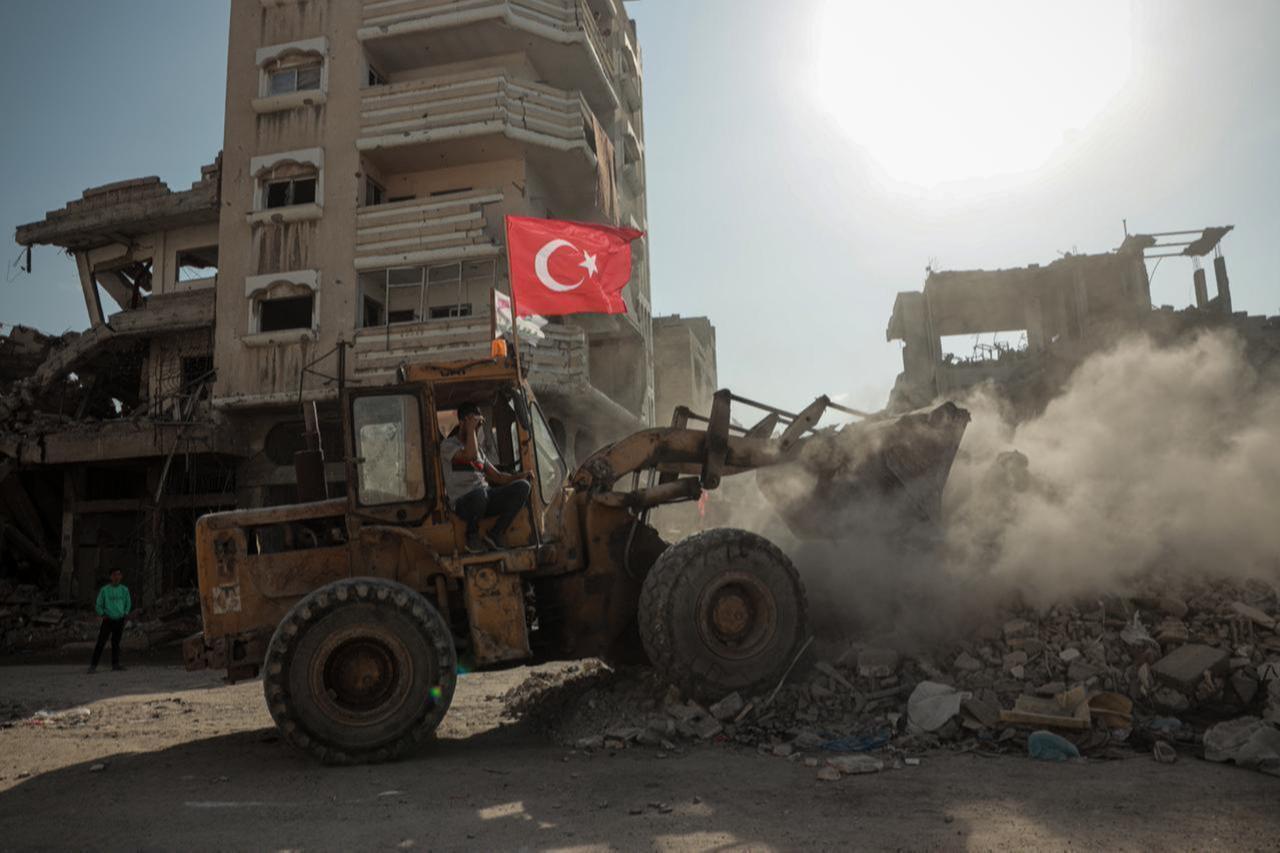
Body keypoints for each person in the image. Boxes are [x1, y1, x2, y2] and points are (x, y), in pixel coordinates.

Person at [440, 402, 533, 553]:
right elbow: (468, 455)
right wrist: (470, 429)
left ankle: (496, 533)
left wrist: (520, 476)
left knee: (523, 487)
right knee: (479, 495)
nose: (477, 428)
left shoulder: (480, 453)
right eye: (473, 423)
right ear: (462, 422)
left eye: (478, 424)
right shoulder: (448, 446)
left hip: (483, 498)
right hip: (463, 503)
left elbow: (498, 477)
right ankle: (472, 536)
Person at [88, 569, 132, 673]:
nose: (116, 577)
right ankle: (93, 666)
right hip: (108, 619)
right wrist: (102, 614)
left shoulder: (124, 590)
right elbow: (98, 604)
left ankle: (115, 664)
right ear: (110, 577)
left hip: (119, 619)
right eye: (114, 575)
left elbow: (128, 603)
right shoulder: (104, 590)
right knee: (101, 642)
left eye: (118, 574)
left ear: (121, 576)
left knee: (116, 643)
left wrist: (125, 613)